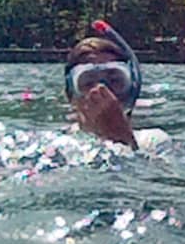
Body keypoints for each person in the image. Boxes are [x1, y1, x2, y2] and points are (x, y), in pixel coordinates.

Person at [64, 20, 168, 151]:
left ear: (133, 90)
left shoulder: (153, 141)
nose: (102, 90)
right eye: (88, 83)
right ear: (70, 95)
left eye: (115, 80)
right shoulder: (57, 145)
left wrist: (120, 137)